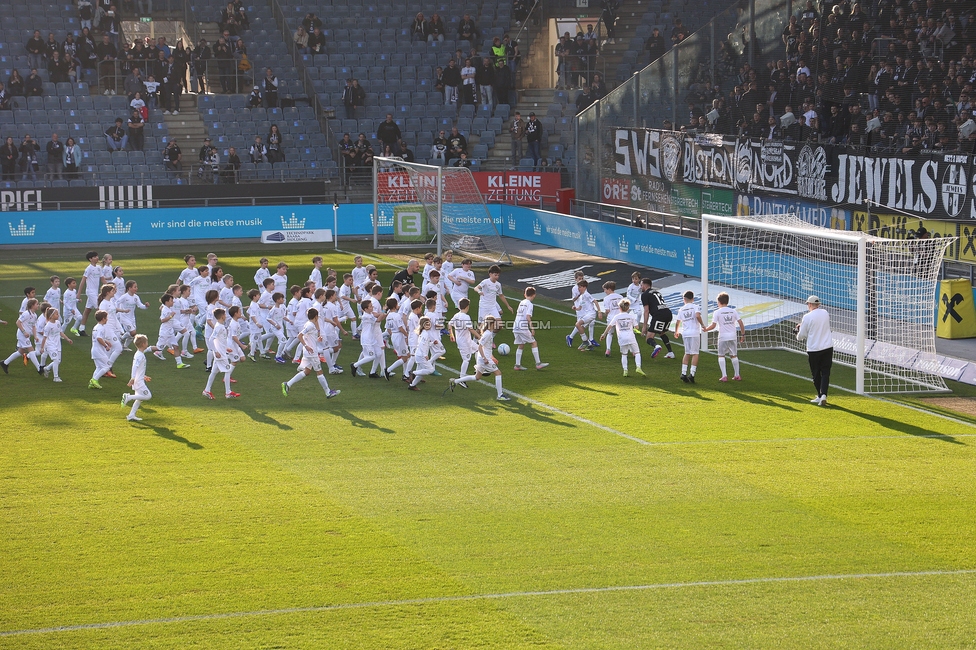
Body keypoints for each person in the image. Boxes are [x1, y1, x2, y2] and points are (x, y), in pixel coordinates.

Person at [281, 308, 340, 398]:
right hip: (311, 352)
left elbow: (309, 338)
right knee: (319, 372)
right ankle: (328, 392)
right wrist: (306, 346)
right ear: (316, 317)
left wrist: (317, 340)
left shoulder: (308, 324)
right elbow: (299, 336)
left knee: (307, 371)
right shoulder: (310, 326)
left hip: (309, 351)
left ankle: (288, 384)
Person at [449, 316, 511, 400]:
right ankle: (500, 395)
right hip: (484, 359)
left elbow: (486, 347)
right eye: (495, 323)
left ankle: (455, 381)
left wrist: (492, 357)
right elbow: (480, 347)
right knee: (498, 373)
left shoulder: (488, 333)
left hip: (483, 357)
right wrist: (485, 358)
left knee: (476, 377)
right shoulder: (488, 334)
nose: (496, 324)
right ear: (491, 324)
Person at [796, 295, 833, 405]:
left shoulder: (807, 317)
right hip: (827, 347)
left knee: (816, 374)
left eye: (808, 304)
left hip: (814, 349)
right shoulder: (825, 313)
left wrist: (798, 334)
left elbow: (802, 334)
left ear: (811, 304)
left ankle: (820, 395)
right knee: (825, 373)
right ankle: (823, 395)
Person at [703, 291, 744, 382]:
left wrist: (706, 329)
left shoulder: (717, 312)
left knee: (721, 355)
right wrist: (743, 334)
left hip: (723, 336)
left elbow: (713, 326)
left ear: (719, 302)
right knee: (734, 355)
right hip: (733, 336)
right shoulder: (733, 311)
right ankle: (737, 375)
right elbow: (740, 322)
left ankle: (724, 376)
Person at [600, 298, 645, 377]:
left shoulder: (616, 317)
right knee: (637, 352)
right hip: (631, 337)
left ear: (619, 308)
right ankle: (638, 367)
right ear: (628, 308)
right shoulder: (631, 316)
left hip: (621, 338)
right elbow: (637, 327)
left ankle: (625, 370)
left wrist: (604, 334)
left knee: (624, 354)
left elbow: (609, 326)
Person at [511, 287, 549, 371]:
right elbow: (528, 317)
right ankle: (538, 364)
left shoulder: (521, 302)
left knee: (521, 345)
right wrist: (532, 328)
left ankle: (517, 365)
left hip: (516, 326)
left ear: (525, 294)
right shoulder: (530, 304)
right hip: (522, 327)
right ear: (534, 295)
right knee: (533, 343)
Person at [673, 290, 705, 383]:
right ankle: (692, 374)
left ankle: (683, 373)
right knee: (695, 353)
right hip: (694, 332)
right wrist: (702, 325)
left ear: (684, 299)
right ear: (693, 299)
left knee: (687, 353)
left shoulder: (681, 309)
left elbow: (678, 321)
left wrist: (676, 331)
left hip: (685, 333)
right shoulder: (695, 306)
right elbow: (697, 316)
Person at [640, 277, 675, 359]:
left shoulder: (644, 295)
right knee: (662, 332)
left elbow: (646, 311)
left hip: (659, 315)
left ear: (645, 285)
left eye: (641, 285)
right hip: (668, 313)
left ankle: (656, 346)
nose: (640, 287)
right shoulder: (656, 292)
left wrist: (644, 326)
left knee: (649, 338)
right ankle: (670, 352)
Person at [120, 334, 153, 421]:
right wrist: (133, 378)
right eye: (146, 342)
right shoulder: (139, 355)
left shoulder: (140, 354)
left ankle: (131, 415)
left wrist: (144, 376)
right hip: (138, 381)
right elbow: (135, 366)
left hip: (139, 379)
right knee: (148, 396)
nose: (147, 344)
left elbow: (139, 369)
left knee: (139, 398)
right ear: (143, 344)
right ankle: (128, 397)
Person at [569, 280, 600, 350]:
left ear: (584, 287)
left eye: (580, 287)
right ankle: (589, 345)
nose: (578, 289)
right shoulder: (582, 297)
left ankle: (586, 342)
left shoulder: (586, 294)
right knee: (581, 329)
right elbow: (580, 308)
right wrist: (575, 308)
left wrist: (599, 312)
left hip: (591, 314)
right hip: (587, 315)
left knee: (577, 324)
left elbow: (595, 301)